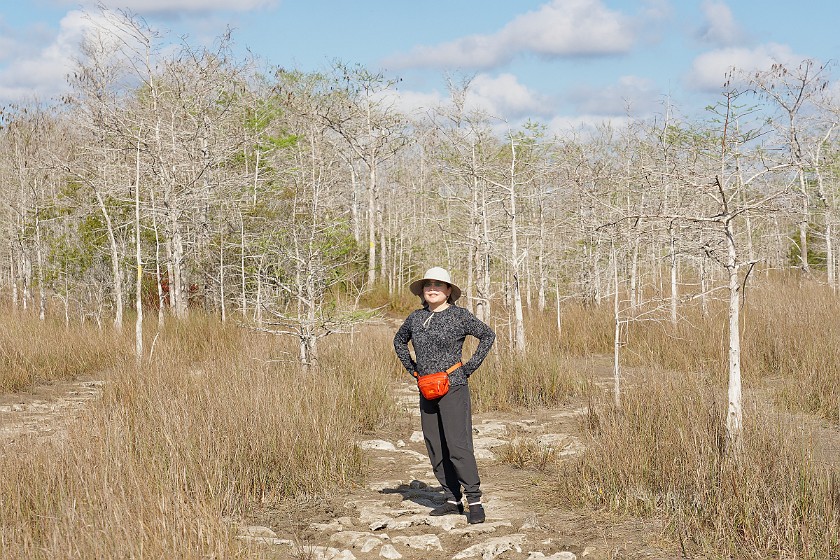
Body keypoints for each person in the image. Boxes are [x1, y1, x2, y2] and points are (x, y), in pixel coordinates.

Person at [393, 266, 496, 524]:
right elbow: (398, 341)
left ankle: (474, 501)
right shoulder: (415, 318)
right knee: (435, 446)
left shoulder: (460, 316)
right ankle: (452, 499)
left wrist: (468, 368)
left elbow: (487, 335)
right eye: (428, 284)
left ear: (448, 291)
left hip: (453, 387)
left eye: (439, 285)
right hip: (426, 388)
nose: (432, 288)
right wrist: (414, 371)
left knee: (458, 445)